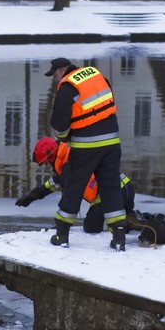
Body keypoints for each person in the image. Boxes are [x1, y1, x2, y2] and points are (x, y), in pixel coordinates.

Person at [44, 57, 128, 251]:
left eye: (55, 74)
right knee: (110, 186)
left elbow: (59, 124)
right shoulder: (97, 75)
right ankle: (119, 238)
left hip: (86, 145)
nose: (56, 79)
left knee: (74, 186)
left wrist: (64, 138)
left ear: (63, 70)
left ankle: (61, 235)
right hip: (112, 142)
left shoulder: (68, 87)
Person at [16, 137, 136, 234]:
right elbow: (53, 183)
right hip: (125, 186)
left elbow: (69, 201)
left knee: (91, 227)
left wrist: (61, 227)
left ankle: (127, 223)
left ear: (51, 157)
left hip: (110, 192)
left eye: (47, 163)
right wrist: (32, 196)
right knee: (115, 219)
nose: (48, 166)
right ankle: (135, 220)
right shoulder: (71, 156)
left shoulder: (68, 167)